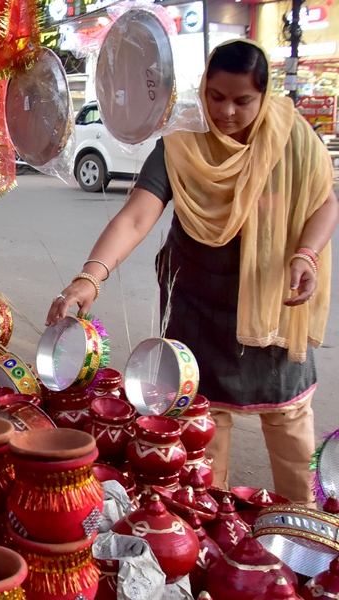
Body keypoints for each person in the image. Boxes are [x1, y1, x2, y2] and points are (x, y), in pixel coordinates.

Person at [46, 39, 338, 505]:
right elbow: (137, 216)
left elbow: (324, 202)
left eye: (243, 101)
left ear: (264, 97)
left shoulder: (293, 138)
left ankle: (304, 533)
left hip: (273, 306)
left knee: (289, 424)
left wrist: (306, 254)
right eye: (216, 96)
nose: (226, 112)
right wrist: (90, 276)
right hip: (198, 305)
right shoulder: (182, 142)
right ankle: (208, 530)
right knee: (202, 427)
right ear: (203, 89)